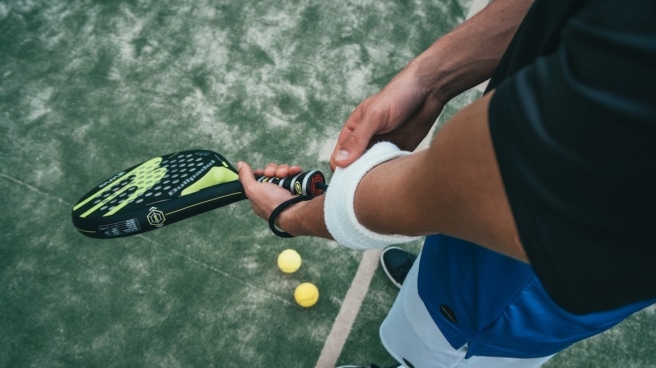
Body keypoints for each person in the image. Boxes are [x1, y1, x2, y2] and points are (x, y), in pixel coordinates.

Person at [236, 0, 656, 366]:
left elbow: (462, 188)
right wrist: (429, 79)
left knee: (447, 352)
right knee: (439, 280)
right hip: (501, 232)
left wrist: (289, 215)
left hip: (519, 287)